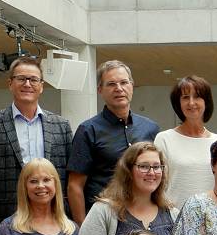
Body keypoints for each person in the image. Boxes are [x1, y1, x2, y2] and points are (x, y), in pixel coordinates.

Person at [0, 56, 73, 235]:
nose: (27, 84)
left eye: (33, 79)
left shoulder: (61, 126)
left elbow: (70, 179)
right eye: (21, 79)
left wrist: (67, 221)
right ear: (10, 83)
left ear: (41, 86)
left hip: (54, 223)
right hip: (6, 223)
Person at [68, 61, 161, 223]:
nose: (119, 88)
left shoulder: (150, 128)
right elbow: (75, 186)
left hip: (143, 216)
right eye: (111, 84)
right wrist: (82, 228)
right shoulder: (88, 130)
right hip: (103, 217)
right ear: (100, 90)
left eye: (124, 82)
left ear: (132, 86)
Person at [154, 75, 217, 218]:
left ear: (206, 101)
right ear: (178, 103)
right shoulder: (164, 139)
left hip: (212, 220)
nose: (191, 102)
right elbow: (156, 185)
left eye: (197, 96)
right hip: (173, 220)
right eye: (185, 97)